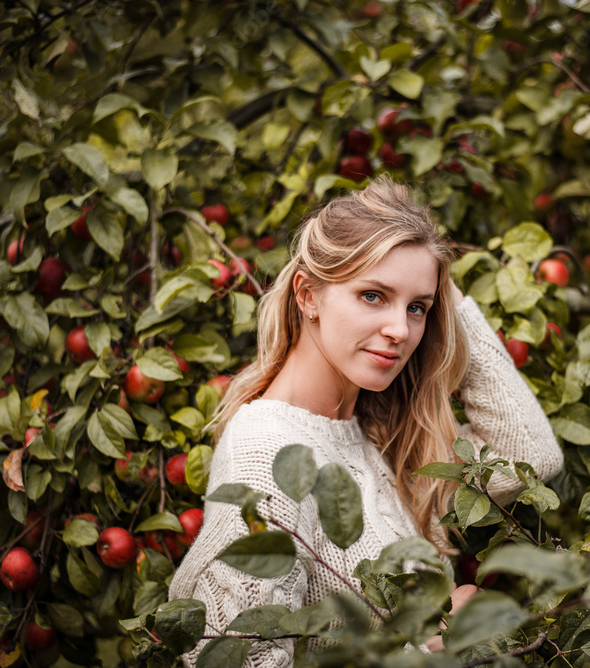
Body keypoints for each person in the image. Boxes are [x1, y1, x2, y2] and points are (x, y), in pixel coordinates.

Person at [168, 176, 563, 667]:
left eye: (417, 307)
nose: (400, 330)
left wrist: (447, 294)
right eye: (373, 295)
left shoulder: (379, 434)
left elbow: (529, 454)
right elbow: (240, 659)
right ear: (307, 295)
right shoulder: (268, 453)